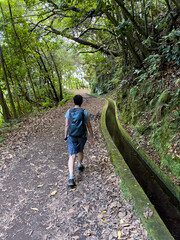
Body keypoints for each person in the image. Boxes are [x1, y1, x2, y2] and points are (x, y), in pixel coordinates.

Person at [64, 95, 95, 187]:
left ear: (74, 101)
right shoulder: (84, 112)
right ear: (81, 102)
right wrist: (92, 136)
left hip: (71, 136)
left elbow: (66, 125)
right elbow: (88, 125)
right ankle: (80, 164)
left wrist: (65, 136)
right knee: (80, 150)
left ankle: (71, 178)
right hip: (82, 136)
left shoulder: (69, 111)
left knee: (72, 155)